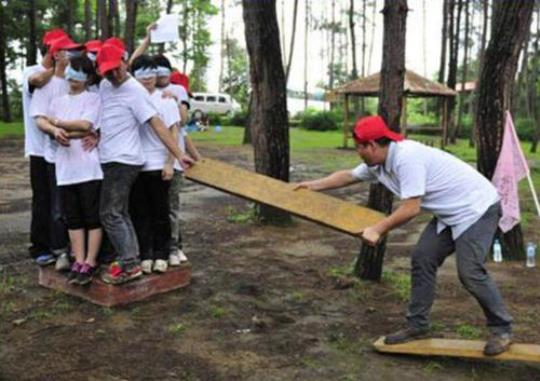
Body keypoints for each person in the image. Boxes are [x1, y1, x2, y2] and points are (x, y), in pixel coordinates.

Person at [295, 115, 513, 356]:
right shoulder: (377, 164)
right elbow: (348, 176)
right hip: (450, 213)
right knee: (422, 258)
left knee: (469, 271)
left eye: (359, 147)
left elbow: (411, 208)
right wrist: (314, 185)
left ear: (373, 145)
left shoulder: (407, 159)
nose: (357, 152)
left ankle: (502, 329)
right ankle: (418, 325)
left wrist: (377, 229)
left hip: (477, 208)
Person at [95, 38, 194, 285]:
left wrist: (178, 154)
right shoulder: (105, 85)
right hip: (108, 157)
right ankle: (131, 259)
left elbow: (158, 125)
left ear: (125, 62)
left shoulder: (135, 91)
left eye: (117, 68)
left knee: (110, 213)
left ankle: (130, 264)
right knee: (121, 212)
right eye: (107, 71)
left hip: (125, 159)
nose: (114, 74)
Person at [40, 56, 103, 285]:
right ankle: (78, 259)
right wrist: (58, 127)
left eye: (79, 74)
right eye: (71, 73)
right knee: (73, 218)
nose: (74, 79)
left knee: (92, 217)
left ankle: (91, 260)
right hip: (65, 170)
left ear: (87, 77)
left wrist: (58, 124)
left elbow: (87, 126)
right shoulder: (57, 101)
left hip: (89, 169)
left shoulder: (93, 99)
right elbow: (48, 125)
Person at [31, 35, 83, 272]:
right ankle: (59, 250)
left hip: (83, 157)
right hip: (55, 156)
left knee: (80, 206)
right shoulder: (46, 85)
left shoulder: (81, 80)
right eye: (66, 51)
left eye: (73, 51)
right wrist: (54, 129)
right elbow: (40, 118)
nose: (71, 55)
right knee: (58, 207)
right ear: (56, 54)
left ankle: (78, 252)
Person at [129, 55, 180, 274]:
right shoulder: (129, 98)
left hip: (159, 164)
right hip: (135, 165)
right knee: (140, 213)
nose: (148, 78)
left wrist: (170, 162)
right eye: (142, 73)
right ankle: (145, 254)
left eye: (152, 73)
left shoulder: (166, 100)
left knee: (161, 211)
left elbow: (174, 132)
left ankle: (162, 253)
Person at [22, 28, 67, 265]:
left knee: (59, 200)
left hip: (59, 150)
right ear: (53, 53)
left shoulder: (65, 77)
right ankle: (39, 246)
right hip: (38, 149)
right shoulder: (33, 71)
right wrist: (57, 66)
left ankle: (57, 243)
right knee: (43, 199)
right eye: (63, 51)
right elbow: (37, 81)